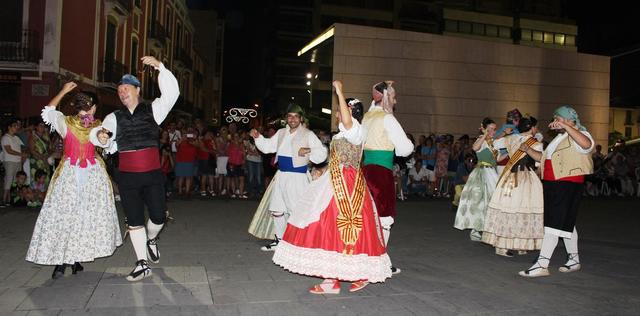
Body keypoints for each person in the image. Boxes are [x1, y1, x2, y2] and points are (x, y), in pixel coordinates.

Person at [272, 81, 391, 294]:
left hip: (347, 185)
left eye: (340, 111)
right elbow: (339, 156)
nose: (337, 114)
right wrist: (324, 170)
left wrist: (340, 92)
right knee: (328, 227)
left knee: (343, 227)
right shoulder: (346, 132)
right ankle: (332, 280)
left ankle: (357, 274)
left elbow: (347, 121)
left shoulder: (354, 128)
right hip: (335, 180)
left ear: (350, 113)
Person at [92, 56, 180, 281]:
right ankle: (142, 263)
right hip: (127, 176)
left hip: (152, 175)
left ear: (137, 90)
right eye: (119, 90)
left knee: (158, 217)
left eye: (126, 89)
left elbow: (172, 94)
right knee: (134, 220)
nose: (122, 93)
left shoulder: (154, 110)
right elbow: (103, 134)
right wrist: (101, 136)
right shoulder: (114, 116)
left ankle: (152, 239)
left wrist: (160, 66)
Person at [26, 82, 122, 279]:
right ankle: (66, 261)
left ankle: (70, 260)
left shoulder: (77, 123)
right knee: (78, 215)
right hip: (85, 174)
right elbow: (106, 145)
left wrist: (62, 92)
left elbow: (49, 109)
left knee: (70, 216)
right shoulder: (88, 124)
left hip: (77, 173)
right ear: (93, 107)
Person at [519, 106, 594, 277]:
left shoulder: (581, 134)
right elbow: (544, 158)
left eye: (557, 119)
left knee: (553, 223)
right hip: (554, 183)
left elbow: (587, 145)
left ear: (569, 119)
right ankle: (574, 260)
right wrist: (528, 150)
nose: (554, 122)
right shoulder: (559, 138)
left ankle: (542, 264)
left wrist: (568, 127)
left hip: (567, 182)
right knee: (566, 222)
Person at [250, 103, 327, 251]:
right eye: (290, 116)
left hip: (297, 177)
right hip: (281, 175)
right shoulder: (281, 133)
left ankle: (297, 242)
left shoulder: (308, 134)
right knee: (277, 209)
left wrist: (309, 150)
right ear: (286, 118)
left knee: (295, 210)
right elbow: (267, 147)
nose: (292, 119)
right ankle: (279, 240)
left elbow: (322, 153)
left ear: (300, 118)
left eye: (296, 116)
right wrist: (258, 137)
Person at [361, 81, 414, 274]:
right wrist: (407, 143)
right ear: (386, 97)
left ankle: (366, 256)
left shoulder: (367, 116)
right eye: (393, 96)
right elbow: (405, 149)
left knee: (367, 216)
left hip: (365, 170)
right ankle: (379, 261)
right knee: (384, 217)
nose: (395, 99)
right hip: (381, 172)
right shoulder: (387, 118)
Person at [482, 117, 544, 257]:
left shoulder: (510, 139)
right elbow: (540, 160)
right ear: (531, 128)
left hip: (509, 177)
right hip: (526, 178)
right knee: (524, 209)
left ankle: (504, 245)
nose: (537, 129)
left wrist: (504, 133)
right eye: (536, 127)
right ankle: (520, 244)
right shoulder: (536, 144)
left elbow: (493, 143)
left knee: (508, 208)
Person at [453, 118, 499, 241]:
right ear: (484, 128)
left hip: (492, 173)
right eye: (490, 129)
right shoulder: (482, 139)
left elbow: (497, 159)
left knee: (490, 201)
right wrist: (484, 135)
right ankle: (476, 229)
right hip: (482, 173)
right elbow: (474, 148)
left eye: (494, 129)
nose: (493, 132)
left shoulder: (493, 142)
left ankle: (485, 228)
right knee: (479, 201)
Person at [2, 118, 28, 207]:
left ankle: (10, 200)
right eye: (14, 126)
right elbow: (9, 150)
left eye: (17, 126)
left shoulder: (16, 137)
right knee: (9, 180)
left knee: (14, 181)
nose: (17, 127)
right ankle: (3, 199)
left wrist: (22, 157)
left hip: (17, 161)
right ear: (9, 127)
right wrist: (21, 154)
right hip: (9, 161)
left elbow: (21, 148)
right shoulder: (5, 137)